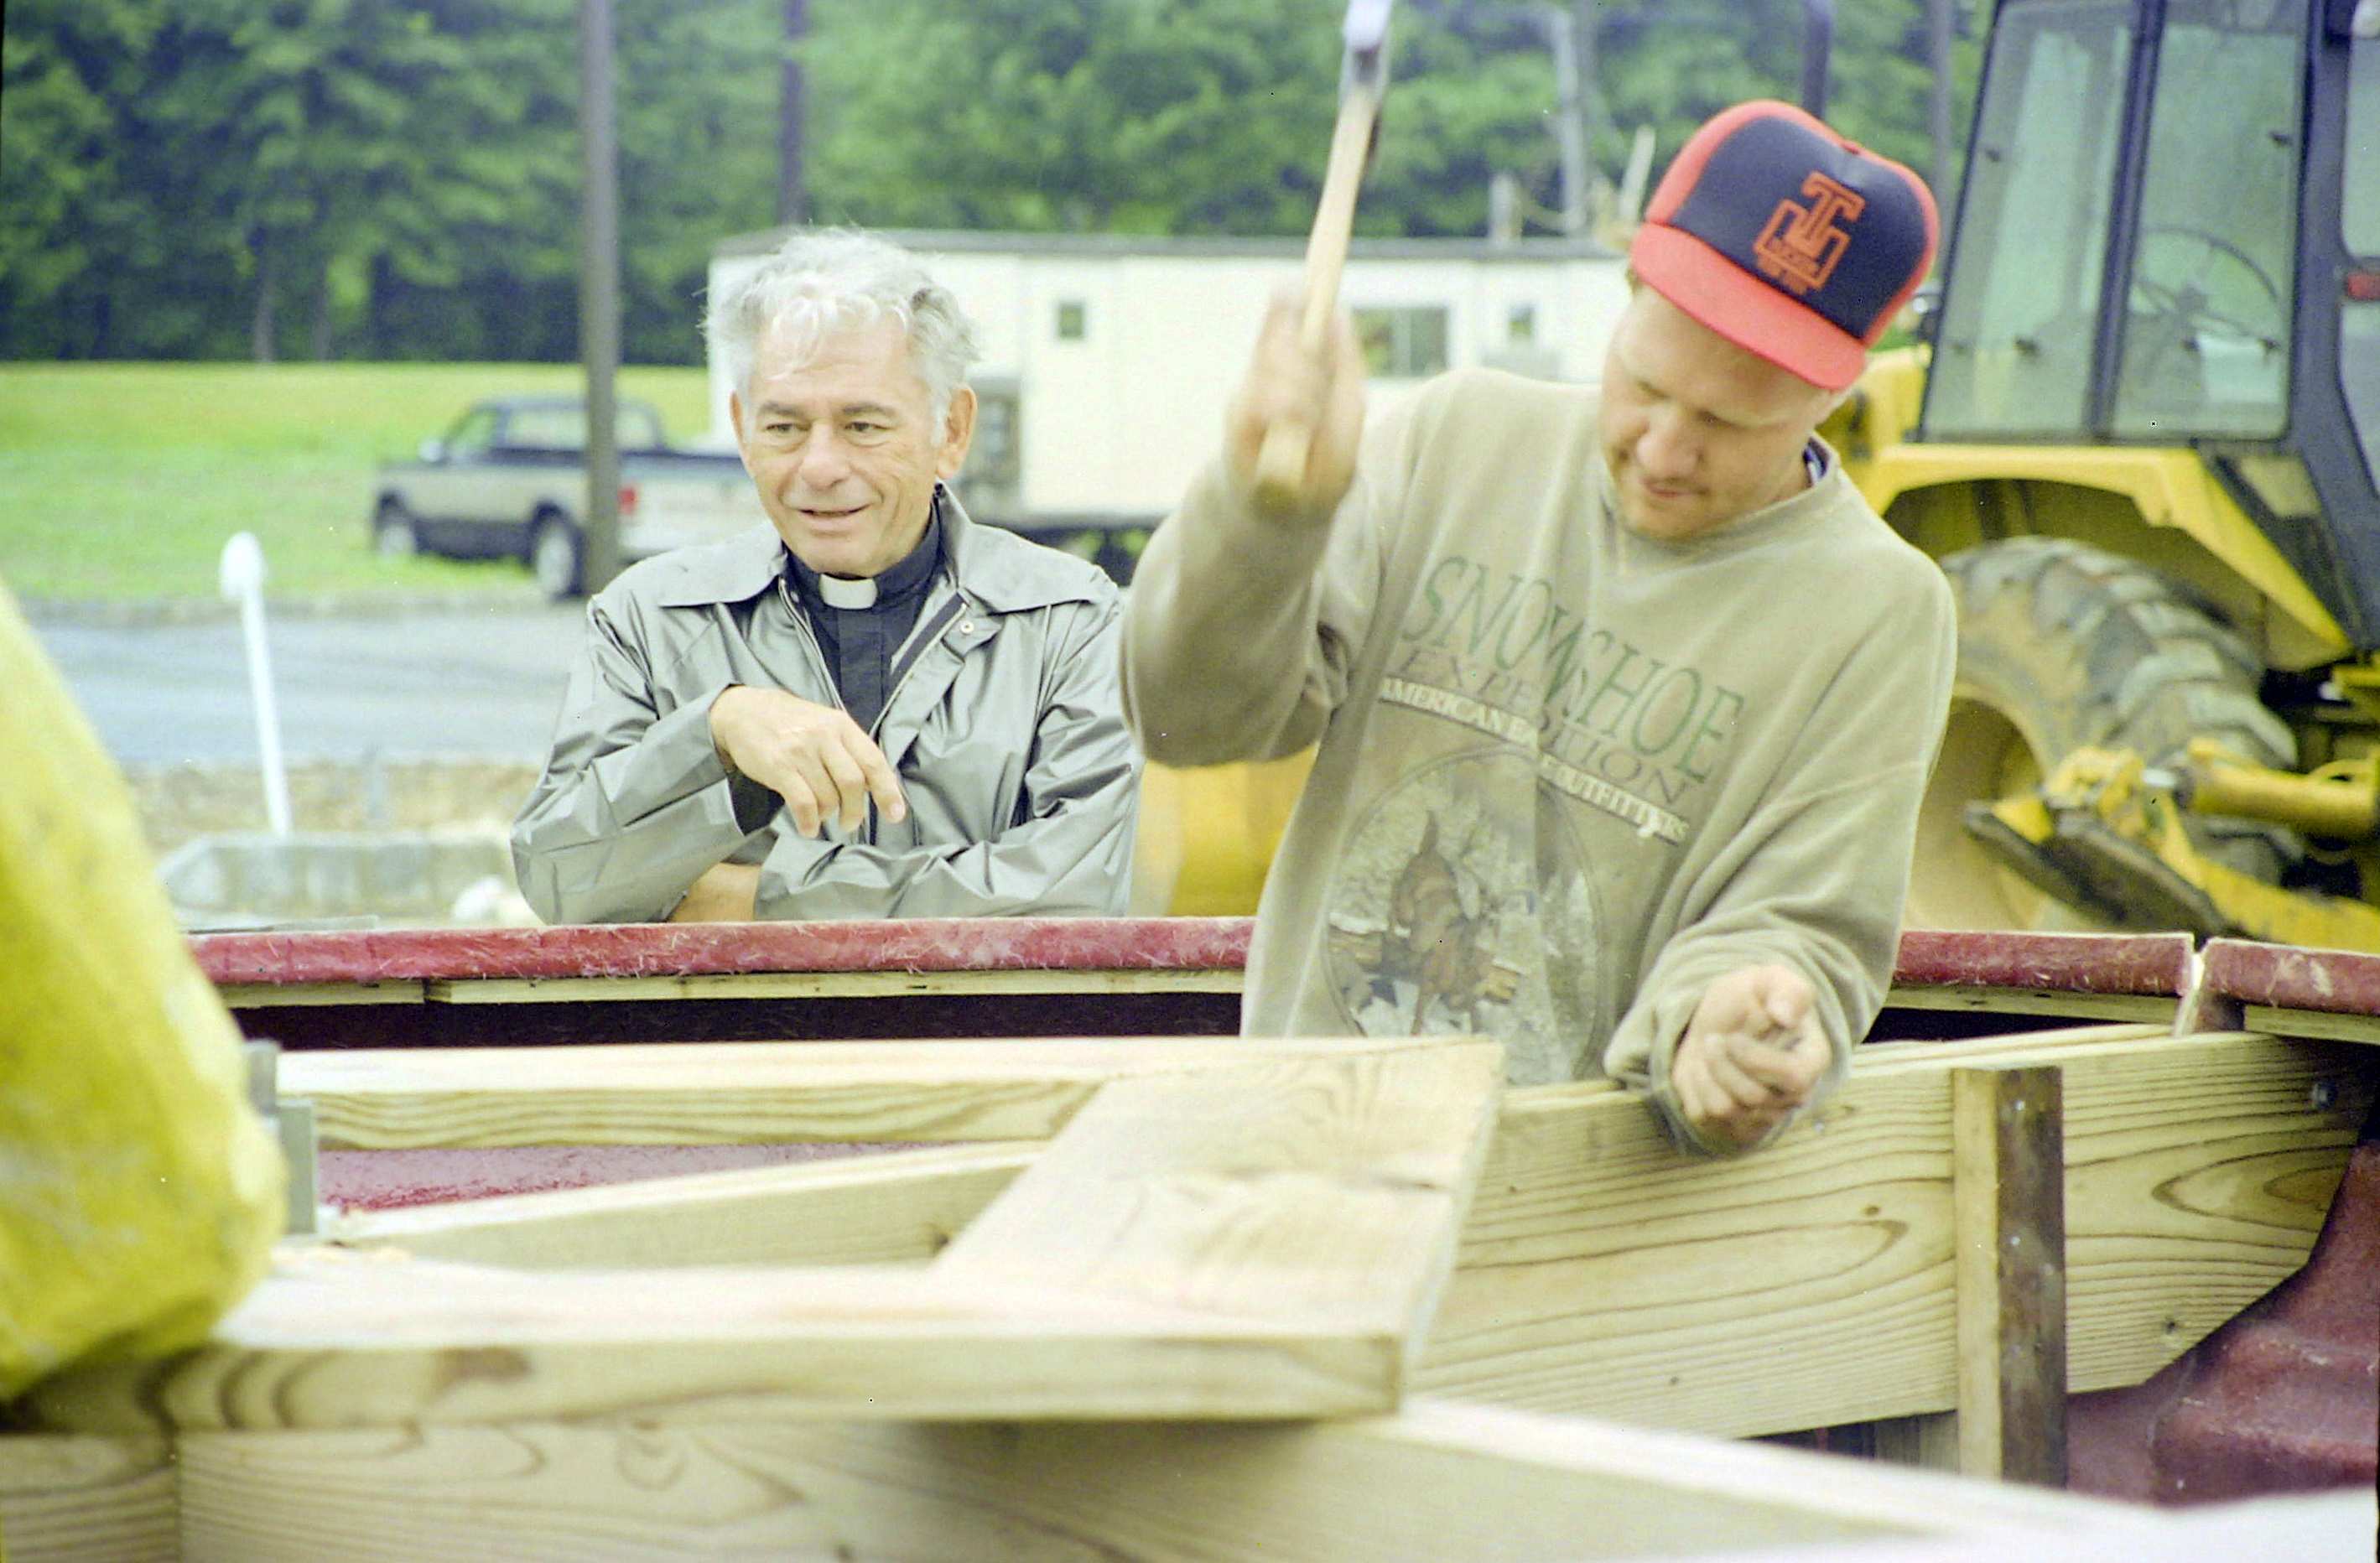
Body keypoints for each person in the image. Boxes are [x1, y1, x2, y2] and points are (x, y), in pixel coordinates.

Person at [1122, 101, 1956, 1153]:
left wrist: (1731, 1028)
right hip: (1301, 1142)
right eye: (1645, 385)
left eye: (1729, 421)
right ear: (1628, 296)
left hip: (1581, 1205)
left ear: (1831, 395)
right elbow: (1186, 720)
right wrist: (1264, 514)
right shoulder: (1458, 440)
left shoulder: (1880, 611)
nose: (1664, 448)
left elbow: (1799, 929)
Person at [514, 229, 1139, 924]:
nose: (819, 467)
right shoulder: (649, 620)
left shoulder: (1068, 621)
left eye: (863, 426)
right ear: (742, 428)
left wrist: (753, 901)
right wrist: (715, 732)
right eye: (784, 428)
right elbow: (559, 877)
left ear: (952, 430)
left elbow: (1081, 891)